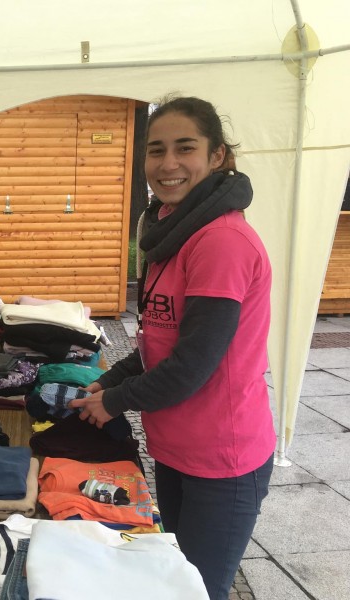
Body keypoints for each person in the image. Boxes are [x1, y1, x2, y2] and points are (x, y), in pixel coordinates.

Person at [69, 96, 275, 600]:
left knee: (198, 591)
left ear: (217, 155)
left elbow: (191, 365)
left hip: (222, 459)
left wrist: (115, 400)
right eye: (156, 150)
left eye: (185, 148)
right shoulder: (168, 229)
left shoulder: (220, 241)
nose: (168, 164)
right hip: (176, 448)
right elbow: (158, 339)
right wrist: (110, 380)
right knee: (172, 580)